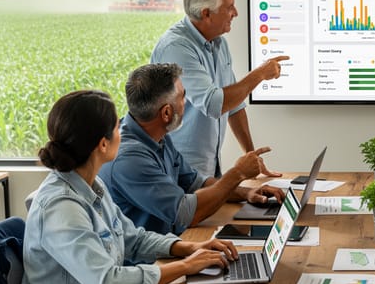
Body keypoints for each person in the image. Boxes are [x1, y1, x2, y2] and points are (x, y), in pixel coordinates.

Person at [20, 90, 247, 284]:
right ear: (102, 144)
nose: (123, 130)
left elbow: (131, 237)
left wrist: (187, 248)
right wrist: (183, 268)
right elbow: (107, 283)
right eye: (117, 126)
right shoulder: (61, 208)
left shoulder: (90, 183)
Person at [100, 63, 285, 236]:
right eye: (182, 97)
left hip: (170, 244)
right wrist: (237, 174)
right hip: (148, 263)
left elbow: (196, 183)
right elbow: (188, 214)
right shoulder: (129, 159)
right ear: (166, 113)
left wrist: (246, 193)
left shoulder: (157, 136)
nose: (186, 103)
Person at [151, 0, 288, 178]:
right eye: (229, 7)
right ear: (206, 14)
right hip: (177, 170)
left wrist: (252, 157)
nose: (236, 13)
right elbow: (214, 104)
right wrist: (259, 74)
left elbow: (235, 105)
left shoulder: (218, 42)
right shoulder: (177, 48)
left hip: (208, 167)